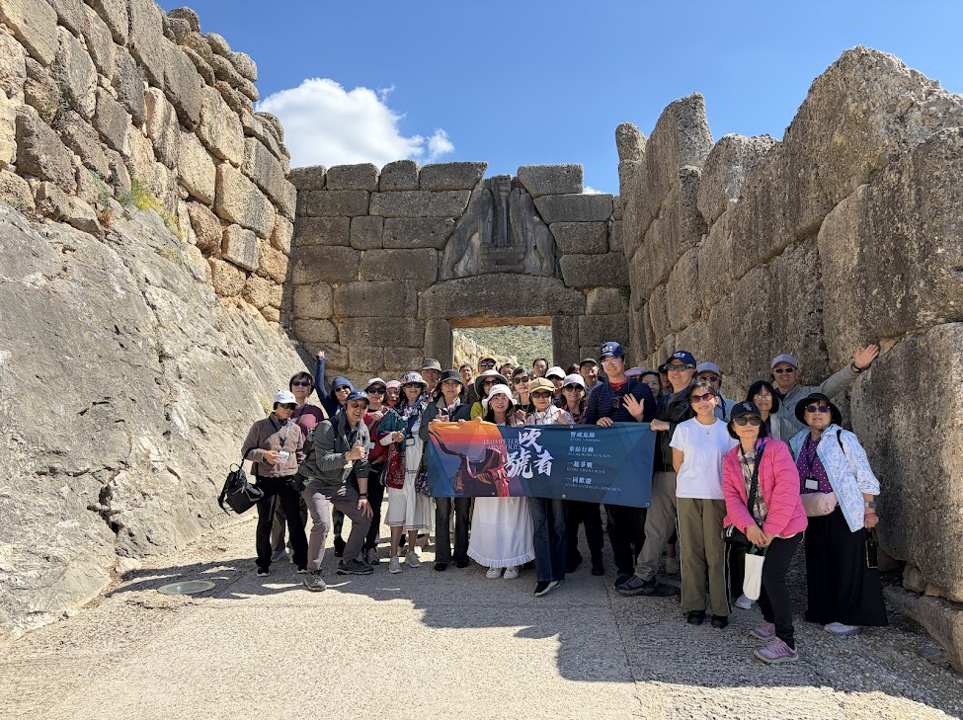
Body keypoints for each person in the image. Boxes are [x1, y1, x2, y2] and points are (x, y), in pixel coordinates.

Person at [789, 392, 887, 636]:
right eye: (811, 408)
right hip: (814, 511)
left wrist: (869, 510)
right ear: (804, 414)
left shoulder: (844, 438)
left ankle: (849, 617)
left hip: (845, 510)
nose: (817, 412)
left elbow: (863, 474)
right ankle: (822, 611)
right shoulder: (798, 441)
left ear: (831, 414)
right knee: (819, 562)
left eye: (823, 408)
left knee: (847, 563)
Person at [723, 401, 808, 664]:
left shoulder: (776, 450)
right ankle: (771, 621)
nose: (748, 425)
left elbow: (787, 490)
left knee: (773, 575)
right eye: (742, 420)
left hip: (785, 527)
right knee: (755, 578)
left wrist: (770, 530)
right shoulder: (730, 459)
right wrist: (749, 527)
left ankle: (787, 641)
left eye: (753, 419)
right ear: (733, 426)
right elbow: (732, 497)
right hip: (753, 528)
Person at [618, 350, 695, 596]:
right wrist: (641, 418)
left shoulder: (699, 397)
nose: (675, 372)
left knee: (691, 531)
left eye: (682, 368)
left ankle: (696, 583)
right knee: (655, 528)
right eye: (672, 368)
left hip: (688, 473)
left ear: (692, 371)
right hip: (662, 472)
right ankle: (644, 576)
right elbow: (652, 431)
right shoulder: (664, 399)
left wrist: (669, 426)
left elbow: (704, 431)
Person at [583, 342, 655, 587]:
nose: (610, 364)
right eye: (605, 360)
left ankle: (643, 569)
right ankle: (623, 568)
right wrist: (598, 421)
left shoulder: (642, 389)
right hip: (610, 466)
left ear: (623, 361)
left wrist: (639, 417)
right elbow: (587, 425)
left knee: (640, 519)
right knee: (615, 520)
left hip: (637, 465)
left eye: (615, 359)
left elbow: (656, 424)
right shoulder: (598, 394)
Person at [671, 380, 737, 628]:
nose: (701, 402)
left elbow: (732, 467)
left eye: (706, 396)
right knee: (690, 552)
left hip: (718, 496)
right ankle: (694, 604)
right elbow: (679, 465)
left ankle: (720, 607)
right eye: (696, 398)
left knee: (716, 553)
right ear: (691, 403)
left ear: (716, 399)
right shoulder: (683, 429)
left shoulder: (728, 430)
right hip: (688, 495)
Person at [297, 390, 375, 591]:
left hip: (339, 484)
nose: (359, 410)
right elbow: (323, 462)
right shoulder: (326, 426)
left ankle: (348, 562)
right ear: (346, 406)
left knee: (364, 515)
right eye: (354, 405)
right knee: (322, 522)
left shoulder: (362, 430)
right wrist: (349, 455)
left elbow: (362, 465)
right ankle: (312, 572)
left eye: (363, 406)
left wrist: (364, 496)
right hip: (315, 481)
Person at [467, 384, 536, 578]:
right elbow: (472, 453)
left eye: (503, 397)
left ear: (509, 401)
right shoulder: (483, 425)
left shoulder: (517, 425)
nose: (499, 401)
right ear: (489, 402)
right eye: (495, 397)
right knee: (491, 520)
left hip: (512, 481)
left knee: (512, 519)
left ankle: (513, 562)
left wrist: (524, 428)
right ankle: (494, 560)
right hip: (488, 482)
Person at [241, 391, 309, 577]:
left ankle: (302, 561)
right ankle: (263, 563)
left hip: (289, 480)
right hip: (266, 479)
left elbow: (301, 453)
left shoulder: (295, 429)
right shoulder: (260, 426)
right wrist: (264, 455)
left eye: (291, 406)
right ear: (276, 405)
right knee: (265, 522)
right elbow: (246, 451)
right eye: (285, 406)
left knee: (295, 521)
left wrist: (302, 478)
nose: (288, 410)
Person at [379, 372, 434, 574]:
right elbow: (380, 437)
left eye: (417, 385)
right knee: (398, 509)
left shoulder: (427, 411)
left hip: (418, 465)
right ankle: (393, 555)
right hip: (398, 466)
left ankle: (410, 551)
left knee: (414, 509)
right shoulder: (393, 413)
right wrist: (392, 436)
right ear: (403, 388)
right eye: (409, 385)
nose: (413, 388)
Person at [270, 370, 327, 563]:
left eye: (305, 383)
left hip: (304, 465)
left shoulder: (315, 412)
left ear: (310, 388)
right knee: (278, 507)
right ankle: (276, 547)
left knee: (301, 508)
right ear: (291, 386)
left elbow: (322, 439)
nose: (300, 386)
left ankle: (295, 544)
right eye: (296, 383)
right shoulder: (282, 408)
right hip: (280, 465)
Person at [421, 370, 473, 571]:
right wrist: (434, 426)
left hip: (462, 467)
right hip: (439, 467)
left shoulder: (467, 409)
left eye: (455, 384)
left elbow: (473, 438)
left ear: (461, 387)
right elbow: (423, 435)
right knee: (442, 511)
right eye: (447, 384)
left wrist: (463, 428)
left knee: (462, 511)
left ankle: (461, 554)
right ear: (440, 387)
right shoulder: (431, 408)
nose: (451, 388)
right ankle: (441, 557)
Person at [526, 378, 572, 596]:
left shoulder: (562, 415)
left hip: (558, 477)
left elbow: (574, 441)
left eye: (545, 394)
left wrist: (568, 426)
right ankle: (544, 575)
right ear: (531, 397)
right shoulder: (526, 419)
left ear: (552, 395)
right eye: (537, 395)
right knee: (540, 525)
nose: (541, 398)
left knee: (560, 525)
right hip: (535, 479)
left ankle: (559, 571)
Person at [771, 345, 880, 435]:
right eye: (779, 370)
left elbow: (833, 384)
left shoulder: (809, 395)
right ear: (773, 373)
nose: (784, 373)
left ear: (797, 372)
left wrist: (855, 367)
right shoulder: (765, 401)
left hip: (803, 456)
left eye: (789, 369)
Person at [361, 378, 391, 565]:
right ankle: (357, 546)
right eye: (372, 389)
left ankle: (371, 545)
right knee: (356, 508)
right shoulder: (358, 410)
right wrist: (369, 417)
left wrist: (381, 459)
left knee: (375, 508)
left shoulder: (388, 414)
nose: (376, 393)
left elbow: (391, 442)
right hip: (357, 469)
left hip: (376, 467)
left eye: (380, 391)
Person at [314, 350, 354, 419]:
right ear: (334, 393)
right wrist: (321, 362)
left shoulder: (358, 404)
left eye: (344, 387)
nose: (342, 390)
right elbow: (319, 386)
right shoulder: (331, 406)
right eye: (337, 389)